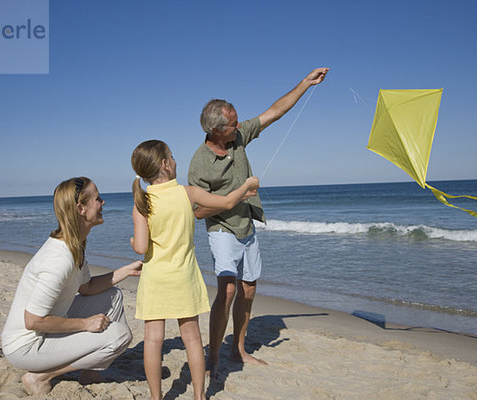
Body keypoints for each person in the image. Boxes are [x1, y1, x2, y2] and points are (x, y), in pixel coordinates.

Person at [187, 67, 329, 376]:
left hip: (247, 228)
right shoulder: (199, 163)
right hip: (222, 230)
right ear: (216, 130)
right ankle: (213, 357)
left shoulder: (238, 136)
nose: (239, 126)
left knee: (248, 290)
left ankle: (237, 351)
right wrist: (239, 194)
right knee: (226, 291)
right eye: (233, 123)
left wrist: (306, 82)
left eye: (238, 121)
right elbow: (197, 212)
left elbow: (274, 112)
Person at [130, 140, 259, 400]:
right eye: (172, 156)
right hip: (183, 278)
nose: (176, 160)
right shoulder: (187, 193)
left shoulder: (142, 202)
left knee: (153, 340)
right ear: (165, 165)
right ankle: (200, 396)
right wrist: (246, 186)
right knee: (192, 338)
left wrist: (133, 241)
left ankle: (156, 398)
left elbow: (141, 246)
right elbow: (224, 203)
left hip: (155, 280)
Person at [1, 177, 142, 396]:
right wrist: (85, 324)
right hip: (26, 346)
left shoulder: (75, 243)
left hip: (44, 329)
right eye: (98, 199)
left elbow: (86, 287)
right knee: (120, 335)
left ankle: (91, 372)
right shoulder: (59, 259)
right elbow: (33, 320)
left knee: (112, 295)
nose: (103, 203)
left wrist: (126, 271)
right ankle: (41, 376)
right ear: (81, 208)